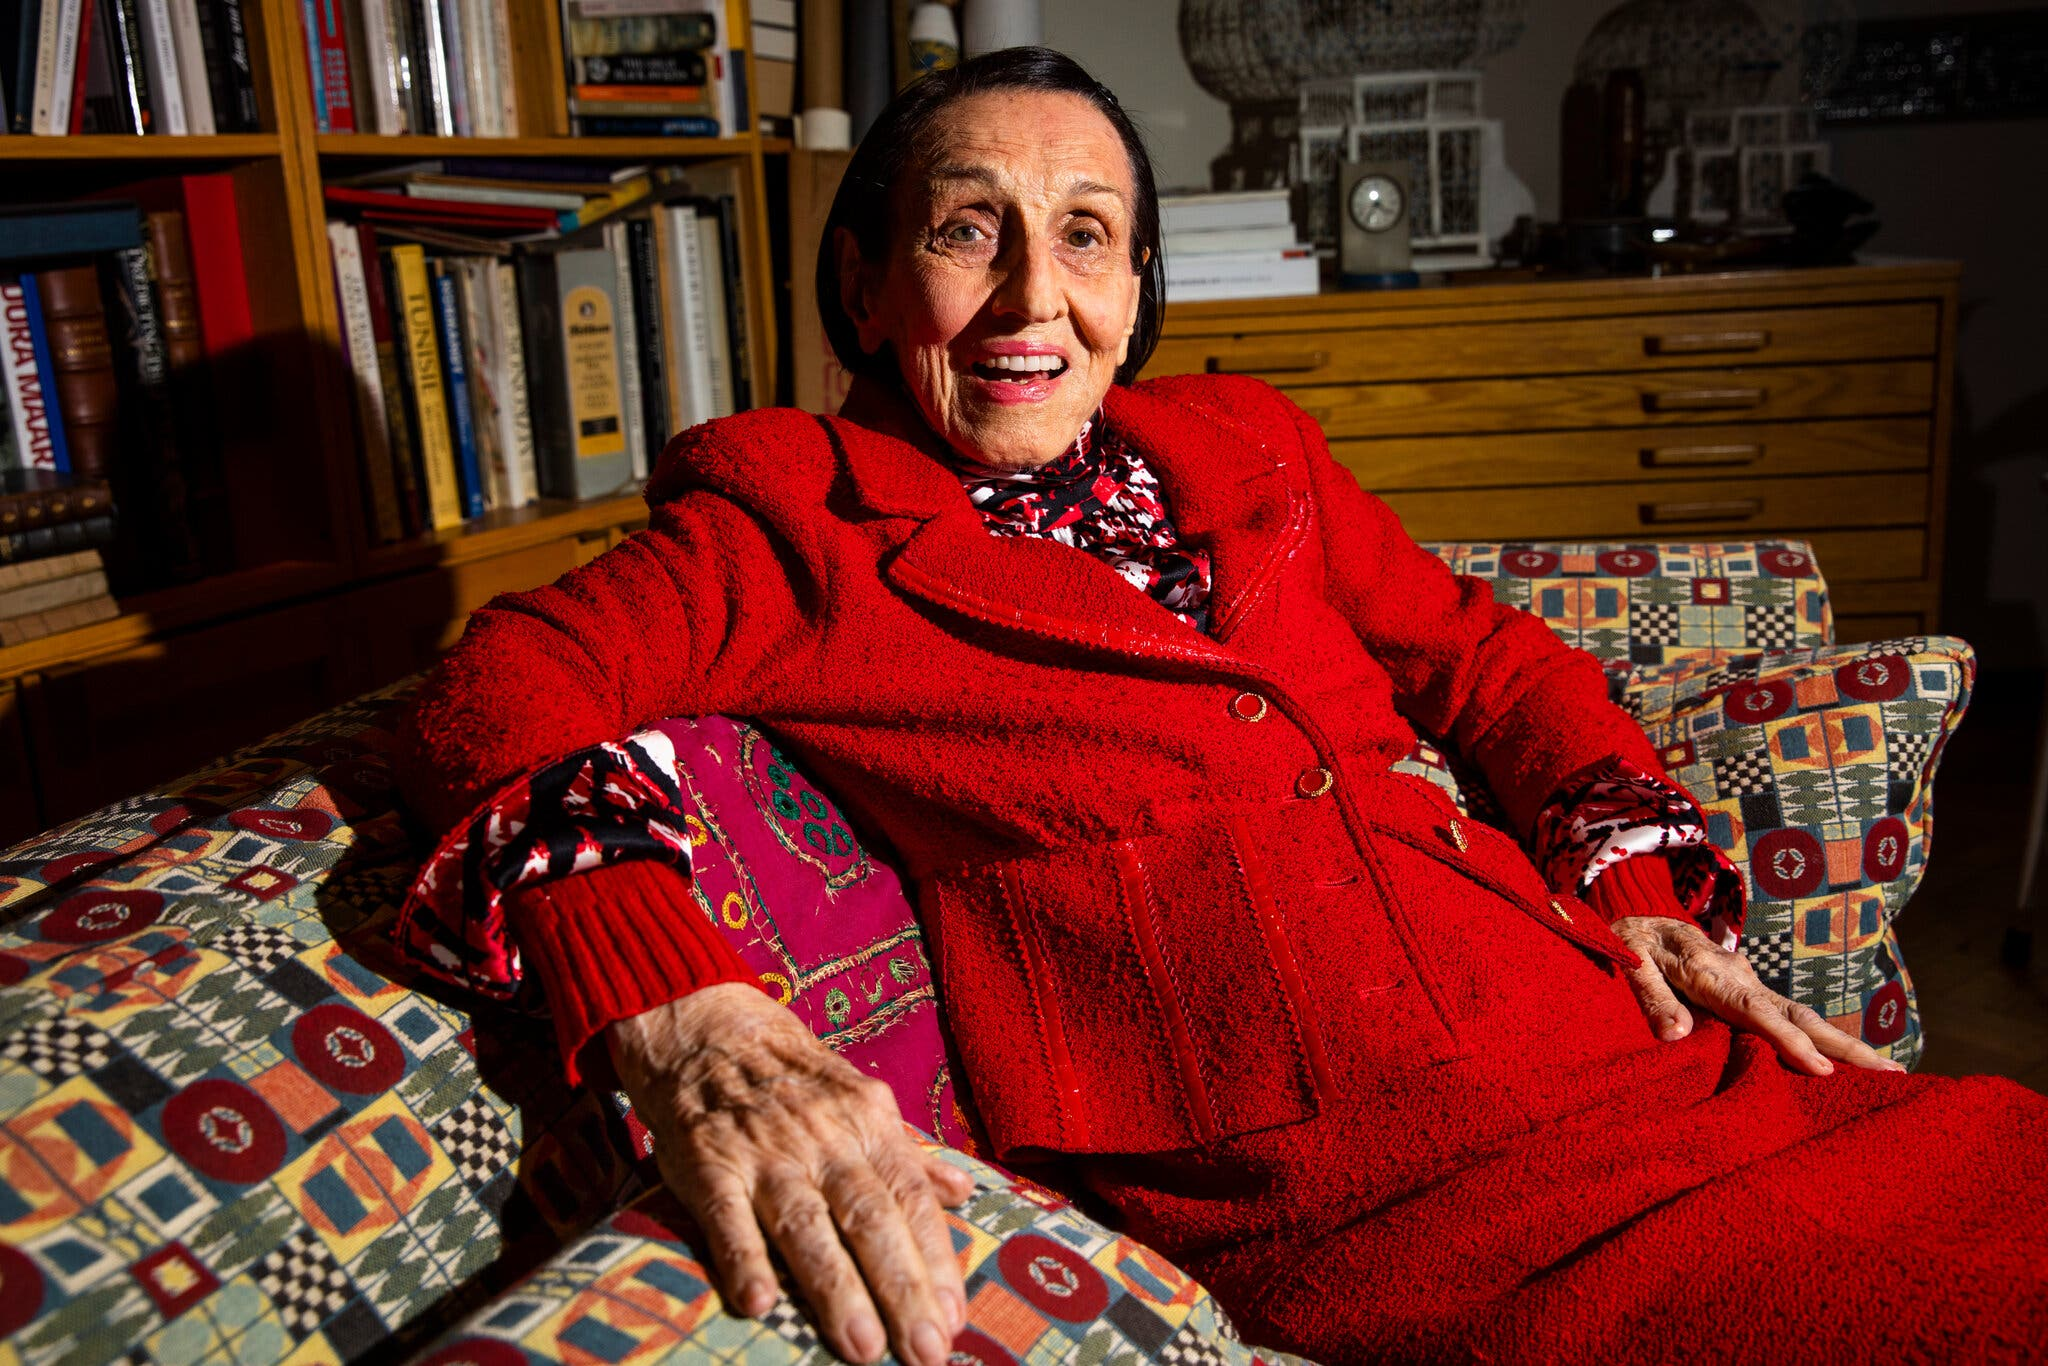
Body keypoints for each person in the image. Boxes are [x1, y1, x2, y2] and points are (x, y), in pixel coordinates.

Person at [395, 47, 2048, 1366]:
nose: (1036, 294)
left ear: (1138, 286)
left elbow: (1488, 659)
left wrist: (1638, 889)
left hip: (1638, 1056)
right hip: (1381, 1196)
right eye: (972, 229)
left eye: (1090, 234)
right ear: (869, 277)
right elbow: (498, 693)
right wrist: (686, 1016)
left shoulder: (1250, 448)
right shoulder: (793, 512)